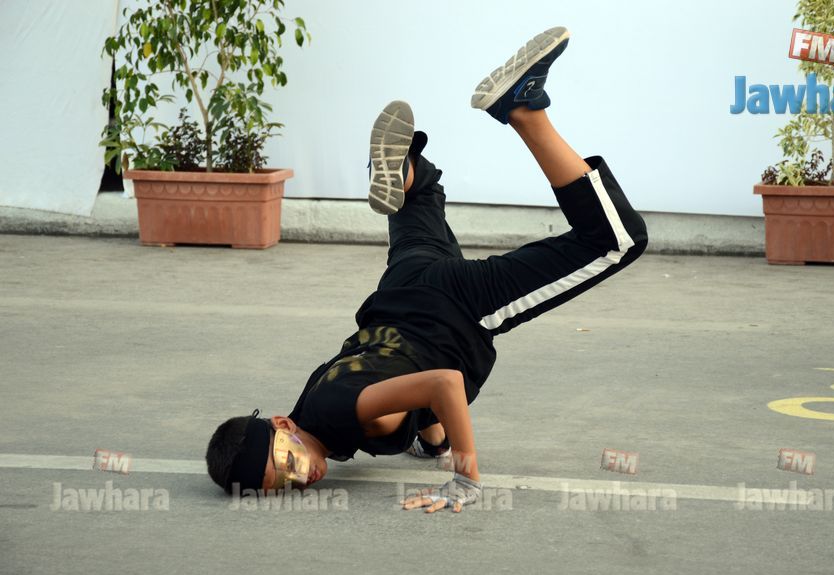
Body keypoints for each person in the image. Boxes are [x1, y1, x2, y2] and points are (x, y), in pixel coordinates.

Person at [205, 26, 648, 513]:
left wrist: (465, 475)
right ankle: (401, 173)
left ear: (281, 426)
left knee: (614, 240)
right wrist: (434, 443)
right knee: (422, 192)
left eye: (285, 461)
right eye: (284, 484)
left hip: (456, 307)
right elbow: (407, 388)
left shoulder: (341, 414)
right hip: (404, 286)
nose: (300, 476)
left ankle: (524, 108)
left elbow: (443, 384)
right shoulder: (314, 399)